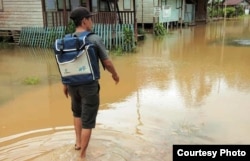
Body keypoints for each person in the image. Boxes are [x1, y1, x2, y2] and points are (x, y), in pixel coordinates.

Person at [63, 7, 119, 159]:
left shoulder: (67, 39)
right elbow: (107, 62)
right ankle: (82, 156)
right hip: (89, 86)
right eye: (90, 19)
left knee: (77, 113)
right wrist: (115, 75)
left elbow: (65, 64)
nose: (92, 21)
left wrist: (65, 84)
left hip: (72, 85)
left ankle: (78, 143)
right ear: (84, 21)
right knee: (88, 121)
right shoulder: (93, 39)